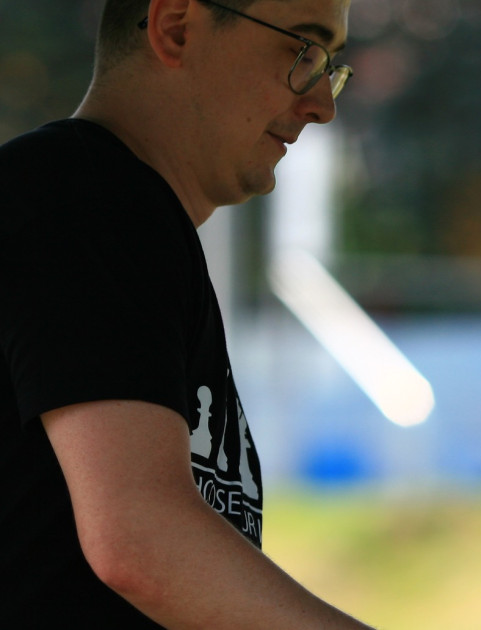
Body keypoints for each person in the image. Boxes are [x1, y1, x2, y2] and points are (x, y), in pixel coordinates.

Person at [0, 0, 371, 627]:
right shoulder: (84, 197)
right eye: (301, 51)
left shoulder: (117, 213)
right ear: (176, 28)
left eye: (329, 66)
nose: (322, 105)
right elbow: (140, 541)